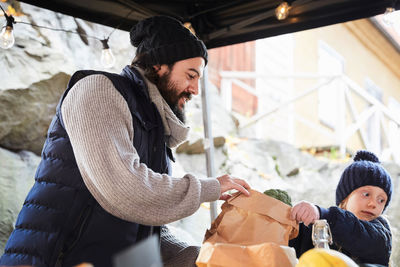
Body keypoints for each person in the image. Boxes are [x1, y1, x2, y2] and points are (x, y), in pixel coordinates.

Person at [0, 16, 250, 267]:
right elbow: (127, 191)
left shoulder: (154, 128)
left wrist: (201, 258)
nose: (195, 89)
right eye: (191, 75)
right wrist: (210, 188)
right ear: (159, 66)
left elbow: (145, 230)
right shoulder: (98, 91)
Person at [289, 150, 392, 266]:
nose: (373, 204)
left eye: (381, 200)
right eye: (366, 194)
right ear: (345, 198)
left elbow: (354, 231)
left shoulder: (380, 234)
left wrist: (324, 215)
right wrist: (294, 223)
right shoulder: (321, 227)